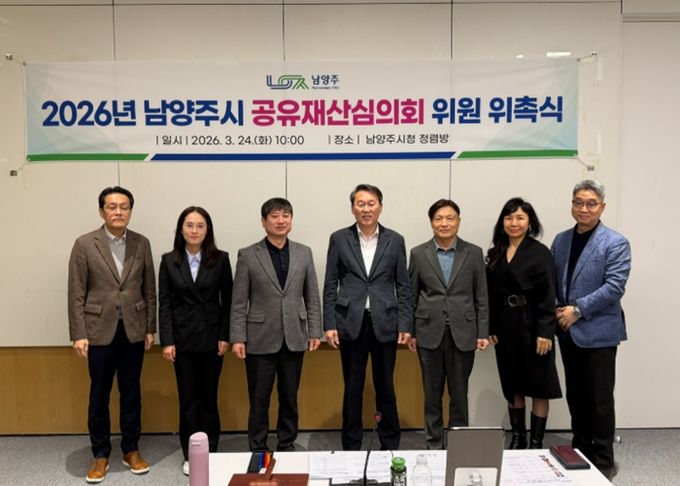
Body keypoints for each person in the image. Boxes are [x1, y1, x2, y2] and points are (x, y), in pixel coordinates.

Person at [68, 186, 156, 483]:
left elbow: (149, 289)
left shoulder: (141, 243)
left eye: (124, 207)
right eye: (112, 206)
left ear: (131, 211)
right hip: (98, 331)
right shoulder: (84, 244)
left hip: (133, 329)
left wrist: (150, 327)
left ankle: (131, 449)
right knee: (99, 394)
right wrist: (79, 333)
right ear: (101, 211)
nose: (119, 212)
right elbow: (76, 292)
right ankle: (100, 453)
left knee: (131, 392)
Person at [323, 183, 413, 451]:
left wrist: (405, 323)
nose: (366, 209)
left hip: (385, 322)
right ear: (353, 208)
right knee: (353, 387)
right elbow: (330, 283)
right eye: (360, 204)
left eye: (371, 203)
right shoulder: (339, 238)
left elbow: (403, 286)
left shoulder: (395, 240)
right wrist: (329, 324)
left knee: (385, 386)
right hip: (350, 322)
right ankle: (351, 445)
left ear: (380, 207)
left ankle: (389, 443)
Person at [551, 180, 631, 480]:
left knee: (600, 399)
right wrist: (558, 309)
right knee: (577, 397)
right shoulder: (561, 240)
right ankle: (581, 449)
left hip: (599, 331)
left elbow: (615, 286)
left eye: (590, 203)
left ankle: (603, 458)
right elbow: (553, 280)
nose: (583, 208)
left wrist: (578, 310)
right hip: (567, 330)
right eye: (578, 202)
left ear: (602, 207)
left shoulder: (615, 242)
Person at [230, 197, 321, 451]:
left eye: (286, 216)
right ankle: (258, 445)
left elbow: (312, 296)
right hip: (259, 338)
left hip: (294, 336)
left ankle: (286, 442)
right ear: (263, 221)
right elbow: (239, 301)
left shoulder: (304, 252)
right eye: (274, 216)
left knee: (289, 397)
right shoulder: (248, 255)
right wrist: (237, 337)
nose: (281, 221)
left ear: (291, 220)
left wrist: (315, 330)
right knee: (259, 399)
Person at [408, 199, 490, 450]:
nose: (444, 223)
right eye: (439, 218)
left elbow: (481, 296)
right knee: (431, 395)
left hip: (463, 333)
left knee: (459, 394)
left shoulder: (473, 253)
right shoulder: (418, 253)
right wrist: (410, 332)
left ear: (458, 221)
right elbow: (411, 296)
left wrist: (483, 332)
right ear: (431, 222)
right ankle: (433, 445)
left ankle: (458, 446)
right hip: (428, 333)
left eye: (450, 218)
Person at [158, 206, 233, 475]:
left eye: (200, 226)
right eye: (189, 225)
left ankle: (211, 450)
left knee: (209, 398)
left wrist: (225, 335)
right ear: (181, 229)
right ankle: (191, 453)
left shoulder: (221, 259)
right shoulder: (169, 261)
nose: (194, 230)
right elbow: (165, 304)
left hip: (212, 339)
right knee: (188, 399)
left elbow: (228, 301)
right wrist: (167, 341)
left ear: (207, 230)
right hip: (182, 341)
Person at [486, 197, 561, 450]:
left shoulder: (540, 252)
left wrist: (545, 332)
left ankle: (536, 442)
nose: (514, 223)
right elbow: (490, 295)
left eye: (520, 218)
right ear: (502, 222)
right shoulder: (496, 252)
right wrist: (491, 327)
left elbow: (548, 294)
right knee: (512, 384)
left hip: (533, 326)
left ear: (530, 223)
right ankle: (518, 438)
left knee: (539, 386)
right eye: (509, 218)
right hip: (506, 327)